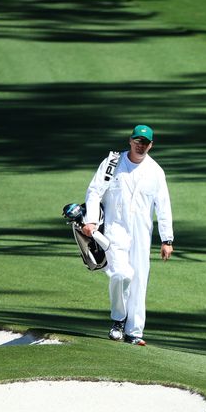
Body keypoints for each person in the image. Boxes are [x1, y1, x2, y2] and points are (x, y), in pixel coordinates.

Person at [82, 124, 174, 346]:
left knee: (139, 280)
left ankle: (135, 332)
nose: (140, 145)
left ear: (151, 145)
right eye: (137, 141)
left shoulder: (156, 171)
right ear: (130, 141)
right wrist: (91, 220)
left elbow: (163, 206)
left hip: (142, 232)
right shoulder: (113, 163)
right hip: (115, 229)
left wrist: (166, 239)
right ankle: (118, 320)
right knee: (121, 274)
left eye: (145, 142)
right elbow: (95, 191)